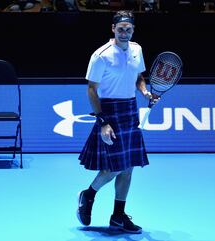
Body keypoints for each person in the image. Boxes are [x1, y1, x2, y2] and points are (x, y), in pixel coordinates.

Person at [77, 10, 159, 234]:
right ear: (113, 29)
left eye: (129, 29)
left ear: (133, 30)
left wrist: (145, 93)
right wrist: (102, 120)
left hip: (130, 109)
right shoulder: (101, 55)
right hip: (109, 112)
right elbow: (91, 89)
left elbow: (139, 78)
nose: (125, 33)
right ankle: (89, 194)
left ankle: (118, 216)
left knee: (128, 168)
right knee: (115, 167)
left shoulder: (137, 49)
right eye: (121, 29)